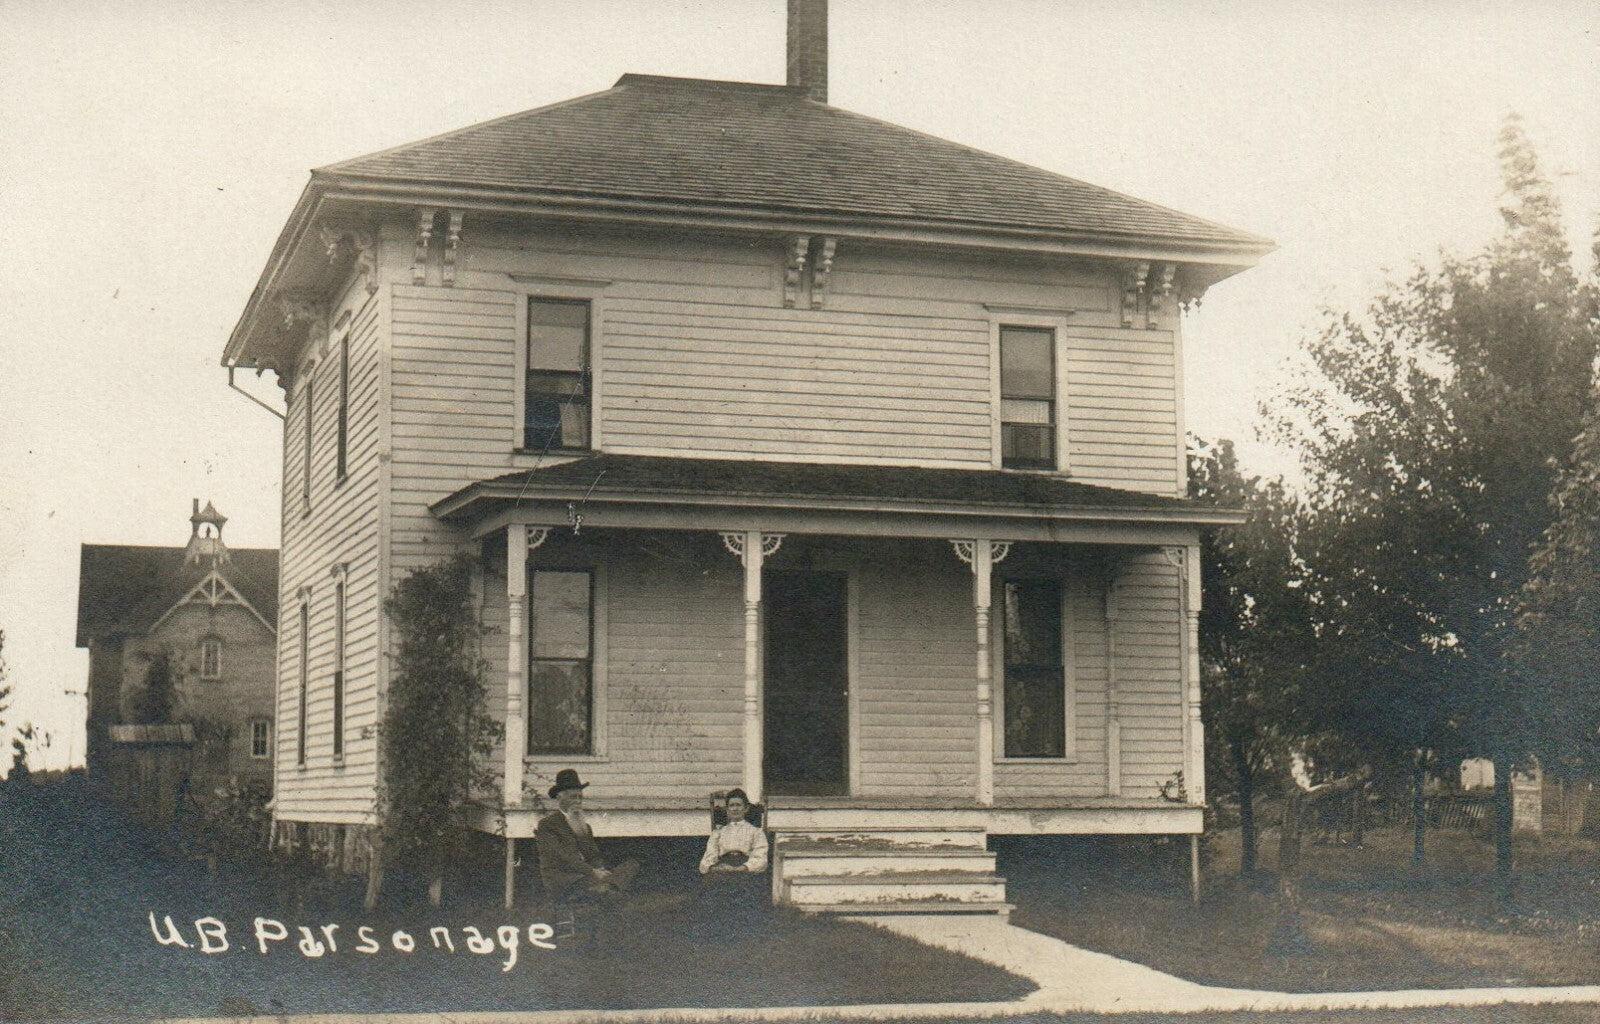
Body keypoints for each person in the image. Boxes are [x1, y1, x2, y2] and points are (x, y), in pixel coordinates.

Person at [535, 769, 639, 901]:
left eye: (580, 797)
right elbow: (564, 858)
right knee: (609, 887)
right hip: (566, 879)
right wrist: (593, 872)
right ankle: (609, 889)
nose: (578, 801)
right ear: (560, 797)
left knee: (631, 865)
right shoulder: (548, 825)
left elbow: (593, 855)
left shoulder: (584, 826)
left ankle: (606, 887)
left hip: (587, 875)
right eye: (573, 797)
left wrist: (600, 868)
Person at [699, 789, 768, 875]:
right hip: (722, 869)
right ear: (727, 810)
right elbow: (708, 857)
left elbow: (761, 859)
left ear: (746, 808)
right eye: (731, 805)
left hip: (745, 871)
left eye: (738, 805)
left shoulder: (756, 832)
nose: (735, 809)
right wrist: (714, 868)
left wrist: (739, 869)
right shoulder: (718, 833)